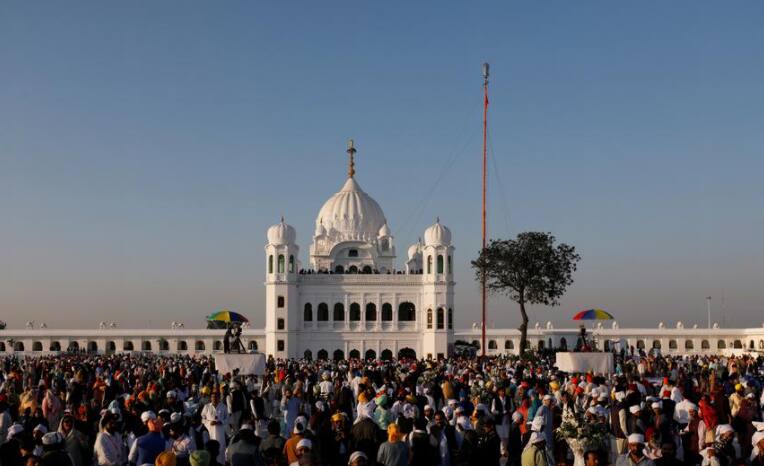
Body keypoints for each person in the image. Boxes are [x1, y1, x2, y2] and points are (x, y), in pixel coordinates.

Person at [201, 392, 228, 465]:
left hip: (220, 431)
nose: (214, 398)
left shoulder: (223, 406)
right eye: (213, 397)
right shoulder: (207, 406)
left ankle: (221, 463)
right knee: (211, 449)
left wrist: (220, 422)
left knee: (221, 448)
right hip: (210, 431)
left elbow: (228, 419)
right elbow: (202, 419)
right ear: (210, 398)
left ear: (219, 398)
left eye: (216, 397)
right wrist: (209, 423)